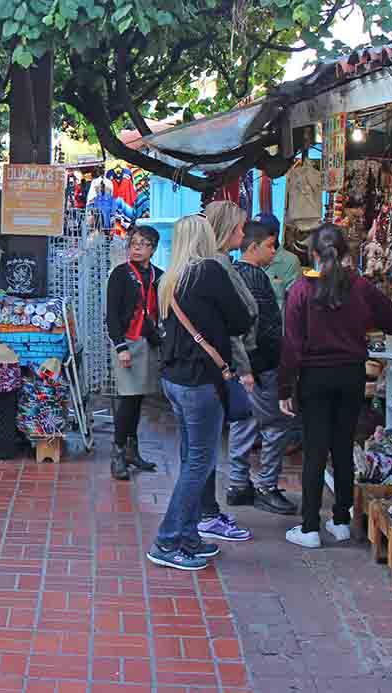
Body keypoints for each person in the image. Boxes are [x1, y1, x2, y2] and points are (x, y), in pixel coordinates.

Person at [279, 224, 392, 548]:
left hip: (314, 378)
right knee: (342, 447)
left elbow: (291, 345)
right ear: (344, 253)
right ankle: (341, 520)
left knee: (314, 450)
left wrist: (285, 387)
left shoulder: (301, 289)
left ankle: (310, 527)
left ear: (312, 253)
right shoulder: (360, 287)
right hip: (351, 375)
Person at [147, 215, 253, 572]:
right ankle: (167, 539)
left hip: (175, 378)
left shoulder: (169, 278)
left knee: (191, 456)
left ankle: (188, 536)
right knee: (201, 461)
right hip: (200, 380)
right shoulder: (209, 271)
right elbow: (241, 320)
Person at [226, 220, 296, 515]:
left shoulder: (230, 273)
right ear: (253, 246)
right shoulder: (254, 278)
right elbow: (263, 328)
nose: (273, 251)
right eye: (270, 245)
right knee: (276, 424)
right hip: (260, 364)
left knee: (244, 422)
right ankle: (266, 485)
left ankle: (238, 483)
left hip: (242, 365)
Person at [198, 200, 258, 543]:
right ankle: (204, 514)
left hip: (215, 368)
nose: (242, 234)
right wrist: (243, 368)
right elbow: (233, 325)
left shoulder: (216, 264)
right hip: (220, 368)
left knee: (202, 447)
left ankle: (203, 511)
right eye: (237, 228)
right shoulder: (215, 268)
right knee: (203, 449)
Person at [106, 224, 163, 479]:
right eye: (133, 243)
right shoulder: (120, 274)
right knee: (127, 399)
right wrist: (120, 347)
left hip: (147, 342)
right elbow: (112, 316)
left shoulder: (158, 275)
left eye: (143, 244)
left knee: (139, 399)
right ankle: (117, 452)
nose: (137, 248)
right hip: (127, 343)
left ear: (153, 249)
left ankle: (132, 450)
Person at [258, 213, 303, 310]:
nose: (256, 238)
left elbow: (294, 301)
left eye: (260, 234)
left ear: (274, 235)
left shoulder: (290, 261)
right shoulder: (251, 256)